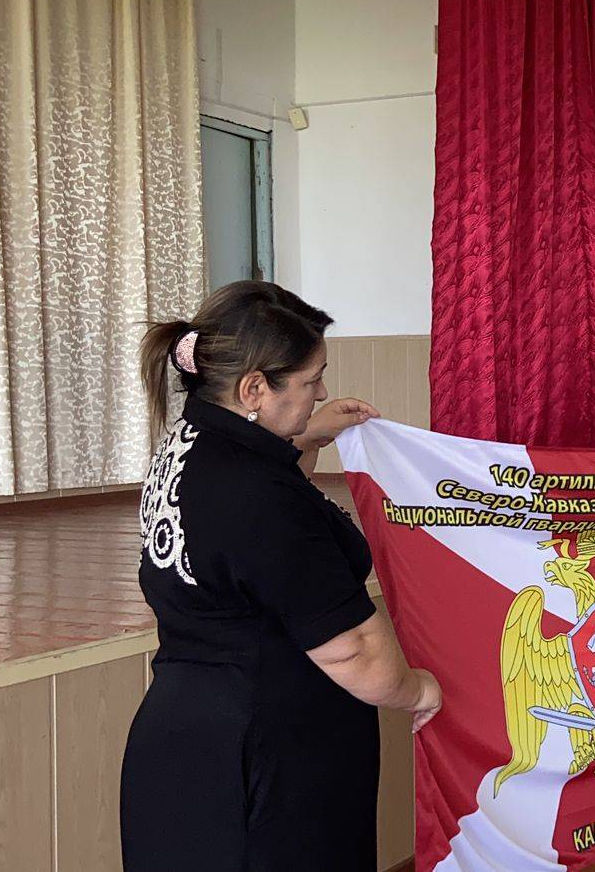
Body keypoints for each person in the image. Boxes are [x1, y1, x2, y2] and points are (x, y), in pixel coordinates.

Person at [121, 281, 441, 871]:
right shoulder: (258, 494)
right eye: (311, 380)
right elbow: (353, 652)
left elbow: (250, 551)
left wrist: (308, 434)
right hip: (271, 755)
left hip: (185, 743)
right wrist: (419, 690)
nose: (321, 391)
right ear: (253, 390)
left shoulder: (188, 445)